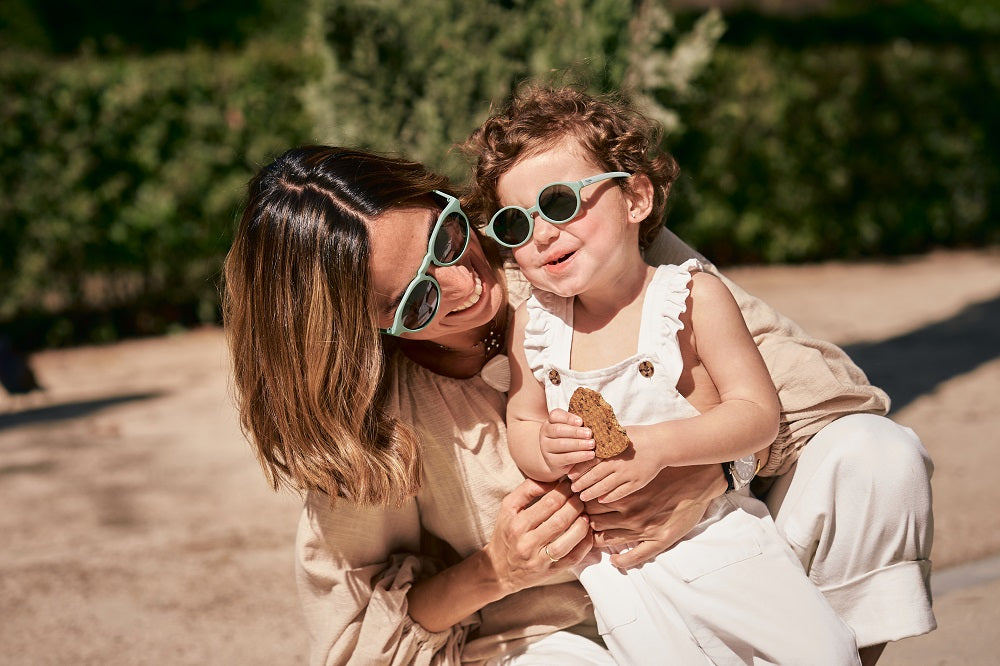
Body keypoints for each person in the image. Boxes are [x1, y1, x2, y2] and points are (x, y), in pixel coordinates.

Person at [223, 138, 933, 665]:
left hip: (717, 555)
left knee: (873, 456)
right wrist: (496, 569)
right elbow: (356, 636)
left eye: (446, 236)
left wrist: (707, 473)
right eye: (417, 299)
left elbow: (824, 397)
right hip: (548, 640)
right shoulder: (373, 419)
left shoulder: (567, 248)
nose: (463, 284)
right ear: (362, 330)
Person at [464, 85, 936, 665]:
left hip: (720, 538)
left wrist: (659, 447)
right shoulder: (535, 325)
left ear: (635, 197)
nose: (540, 233)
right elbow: (523, 419)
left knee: (816, 652)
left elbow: (756, 415)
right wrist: (543, 445)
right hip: (621, 571)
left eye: (560, 203)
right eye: (515, 223)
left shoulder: (690, 297)